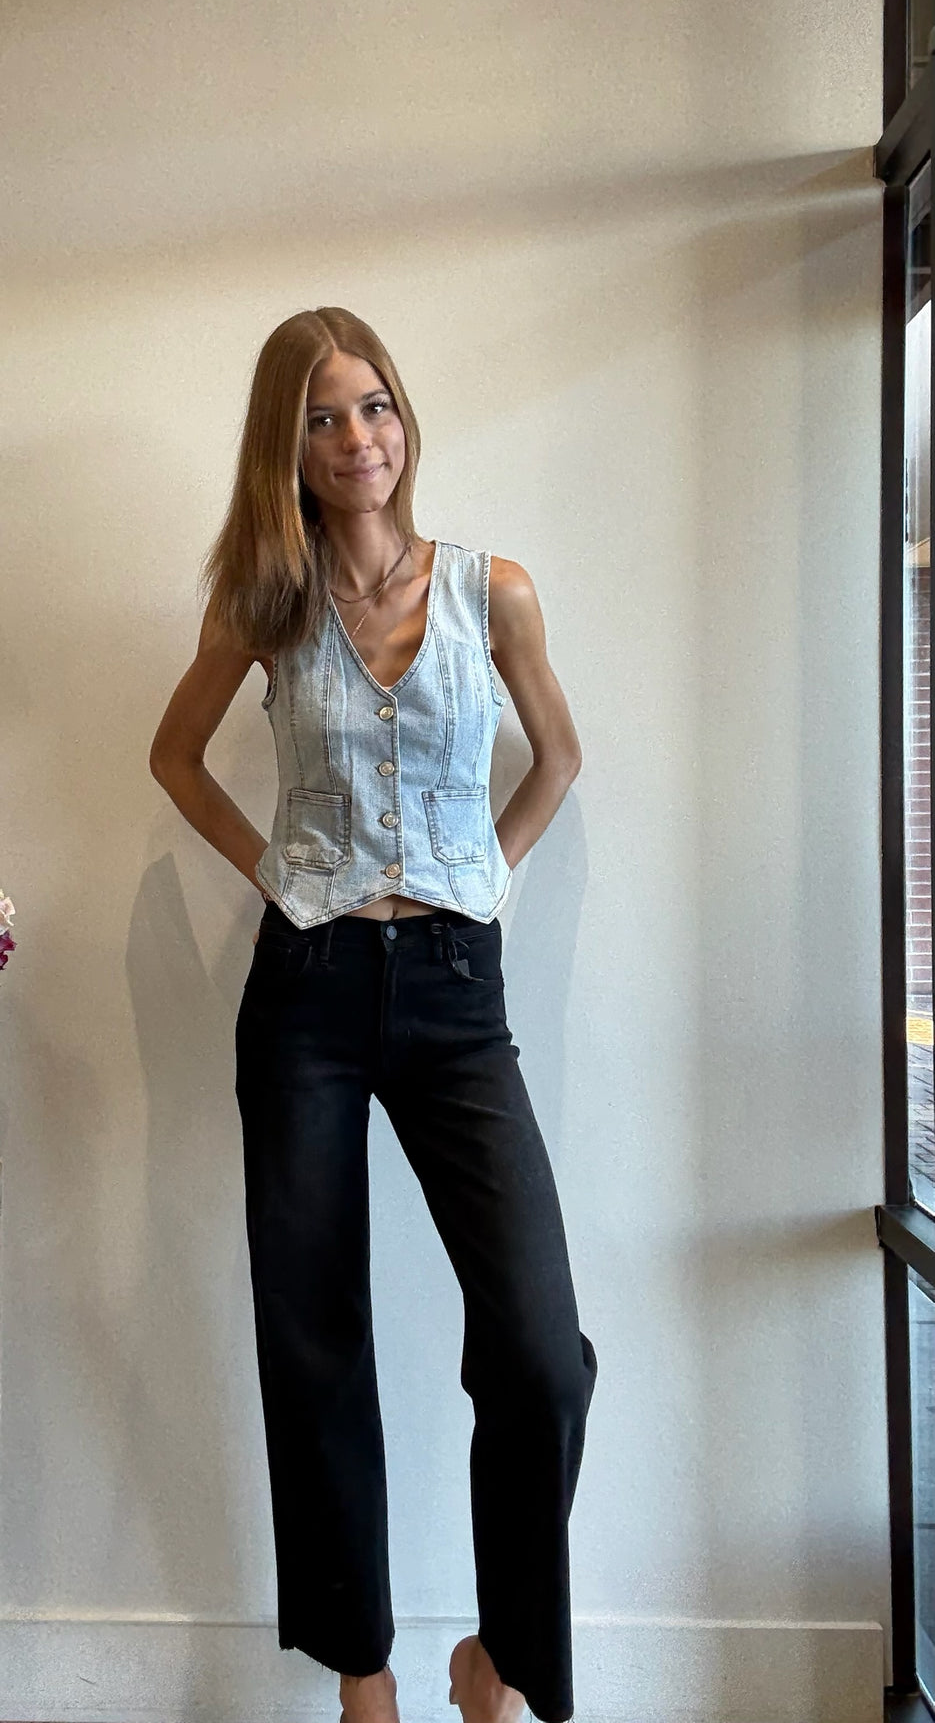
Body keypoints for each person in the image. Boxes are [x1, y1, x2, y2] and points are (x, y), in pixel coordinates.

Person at [149, 308, 598, 1723]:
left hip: (457, 992)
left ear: (405, 416)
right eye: (323, 418)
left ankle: (500, 1656)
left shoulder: (492, 591)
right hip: (309, 994)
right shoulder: (266, 608)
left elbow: (559, 755)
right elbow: (174, 756)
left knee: (540, 1348)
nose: (358, 439)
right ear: (286, 449)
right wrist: (272, 874)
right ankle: (365, 1673)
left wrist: (486, 875)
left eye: (376, 406)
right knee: (313, 1330)